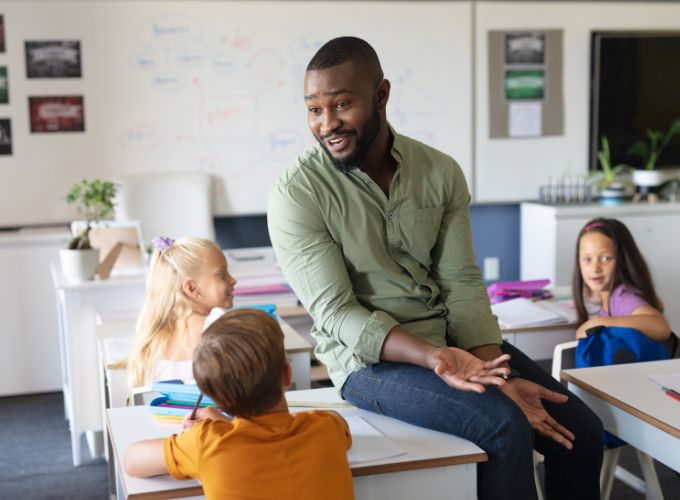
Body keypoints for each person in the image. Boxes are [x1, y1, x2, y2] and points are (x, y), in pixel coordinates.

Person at [267, 36, 603, 499]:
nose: (327, 124)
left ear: (381, 95)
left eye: (342, 105)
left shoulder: (440, 171)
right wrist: (437, 358)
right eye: (314, 110)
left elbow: (461, 281)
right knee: (506, 428)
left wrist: (492, 371)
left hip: (451, 344)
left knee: (581, 432)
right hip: (369, 364)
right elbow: (336, 314)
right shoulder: (297, 193)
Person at [124, 309, 354, 500]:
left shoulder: (208, 442)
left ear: (217, 397)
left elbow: (132, 460)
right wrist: (223, 425)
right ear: (286, 375)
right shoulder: (326, 427)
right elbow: (338, 425)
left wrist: (210, 430)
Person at [128, 236, 237, 388]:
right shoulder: (218, 324)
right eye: (222, 274)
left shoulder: (152, 337)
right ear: (192, 288)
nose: (233, 280)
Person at [572, 217, 671, 341]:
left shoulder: (622, 296)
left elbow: (660, 326)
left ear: (623, 261)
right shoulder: (607, 293)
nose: (595, 268)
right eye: (587, 259)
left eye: (606, 258)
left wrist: (598, 323)